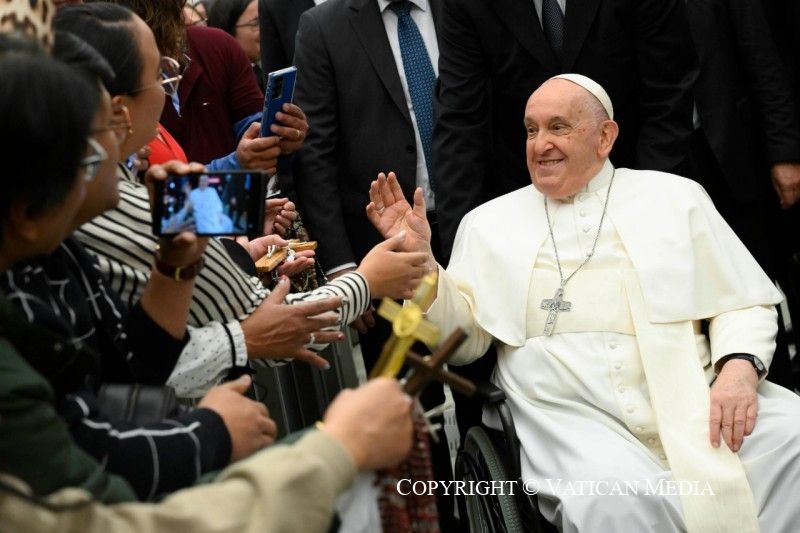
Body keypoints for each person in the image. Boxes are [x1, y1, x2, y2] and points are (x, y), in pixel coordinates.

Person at [368, 74, 800, 532]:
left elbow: (743, 302)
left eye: (558, 127)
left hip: (697, 392)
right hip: (572, 419)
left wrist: (737, 372)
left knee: (792, 439)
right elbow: (464, 342)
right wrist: (423, 268)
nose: (540, 145)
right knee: (610, 500)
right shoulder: (487, 225)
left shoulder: (675, 197)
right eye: (531, 130)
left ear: (605, 136)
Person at [58, 3, 428, 402]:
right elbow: (256, 318)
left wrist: (240, 244)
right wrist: (368, 280)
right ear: (117, 109)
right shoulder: (108, 199)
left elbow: (183, 229)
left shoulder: (211, 51)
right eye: (159, 77)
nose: (168, 91)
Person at [292, 0, 459, 527]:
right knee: (410, 399)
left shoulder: (463, 11)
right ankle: (433, 513)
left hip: (466, 226)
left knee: (486, 370)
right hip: (384, 246)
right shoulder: (325, 25)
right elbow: (313, 153)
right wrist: (346, 270)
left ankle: (499, 502)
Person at [431, 0, 698, 261]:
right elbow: (461, 126)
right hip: (528, 207)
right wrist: (463, 254)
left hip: (633, 181)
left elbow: (668, 99)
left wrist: (651, 209)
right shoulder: (466, 6)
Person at [686, 0, 800, 390]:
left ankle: (782, 396)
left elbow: (762, 57)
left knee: (759, 286)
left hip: (734, 154)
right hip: (665, 162)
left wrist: (784, 152)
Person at [207, 0, 264, 91]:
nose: (266, 29)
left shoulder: (262, 72)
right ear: (228, 31)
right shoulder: (227, 84)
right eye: (255, 23)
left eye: (266, 20)